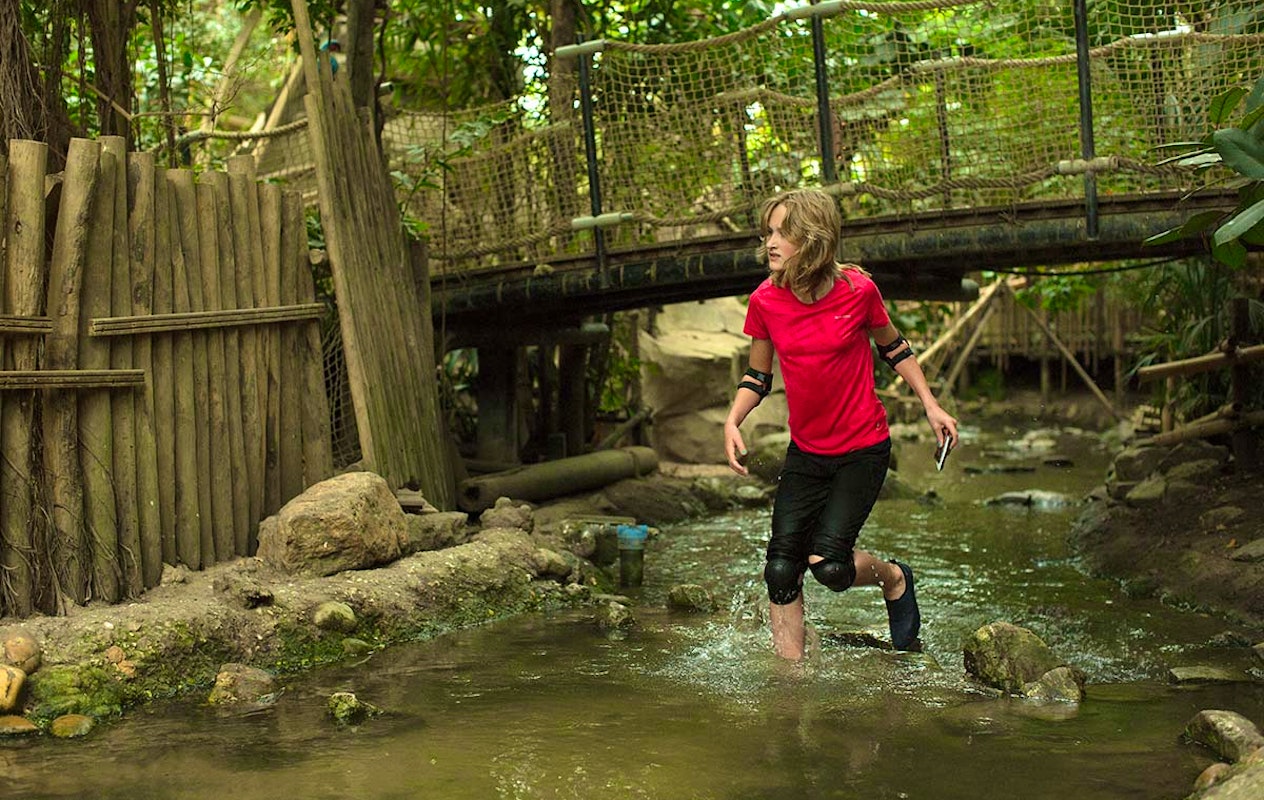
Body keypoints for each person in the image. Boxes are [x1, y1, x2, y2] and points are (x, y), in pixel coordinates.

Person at [723, 187, 959, 661]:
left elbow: (895, 348)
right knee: (780, 570)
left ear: (812, 238)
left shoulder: (858, 291)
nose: (770, 242)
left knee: (829, 567)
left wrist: (931, 404)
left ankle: (894, 577)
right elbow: (758, 374)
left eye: (783, 231)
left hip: (862, 449)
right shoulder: (765, 301)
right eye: (768, 231)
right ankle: (791, 688)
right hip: (807, 453)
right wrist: (733, 419)